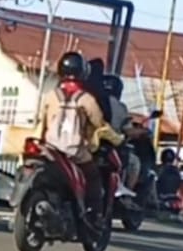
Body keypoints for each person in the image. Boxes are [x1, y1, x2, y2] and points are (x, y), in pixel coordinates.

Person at [34, 51, 122, 221]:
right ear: (83, 73)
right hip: (74, 152)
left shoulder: (50, 96)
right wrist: (117, 138)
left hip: (49, 149)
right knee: (94, 177)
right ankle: (92, 214)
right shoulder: (86, 99)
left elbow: (41, 121)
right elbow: (100, 124)